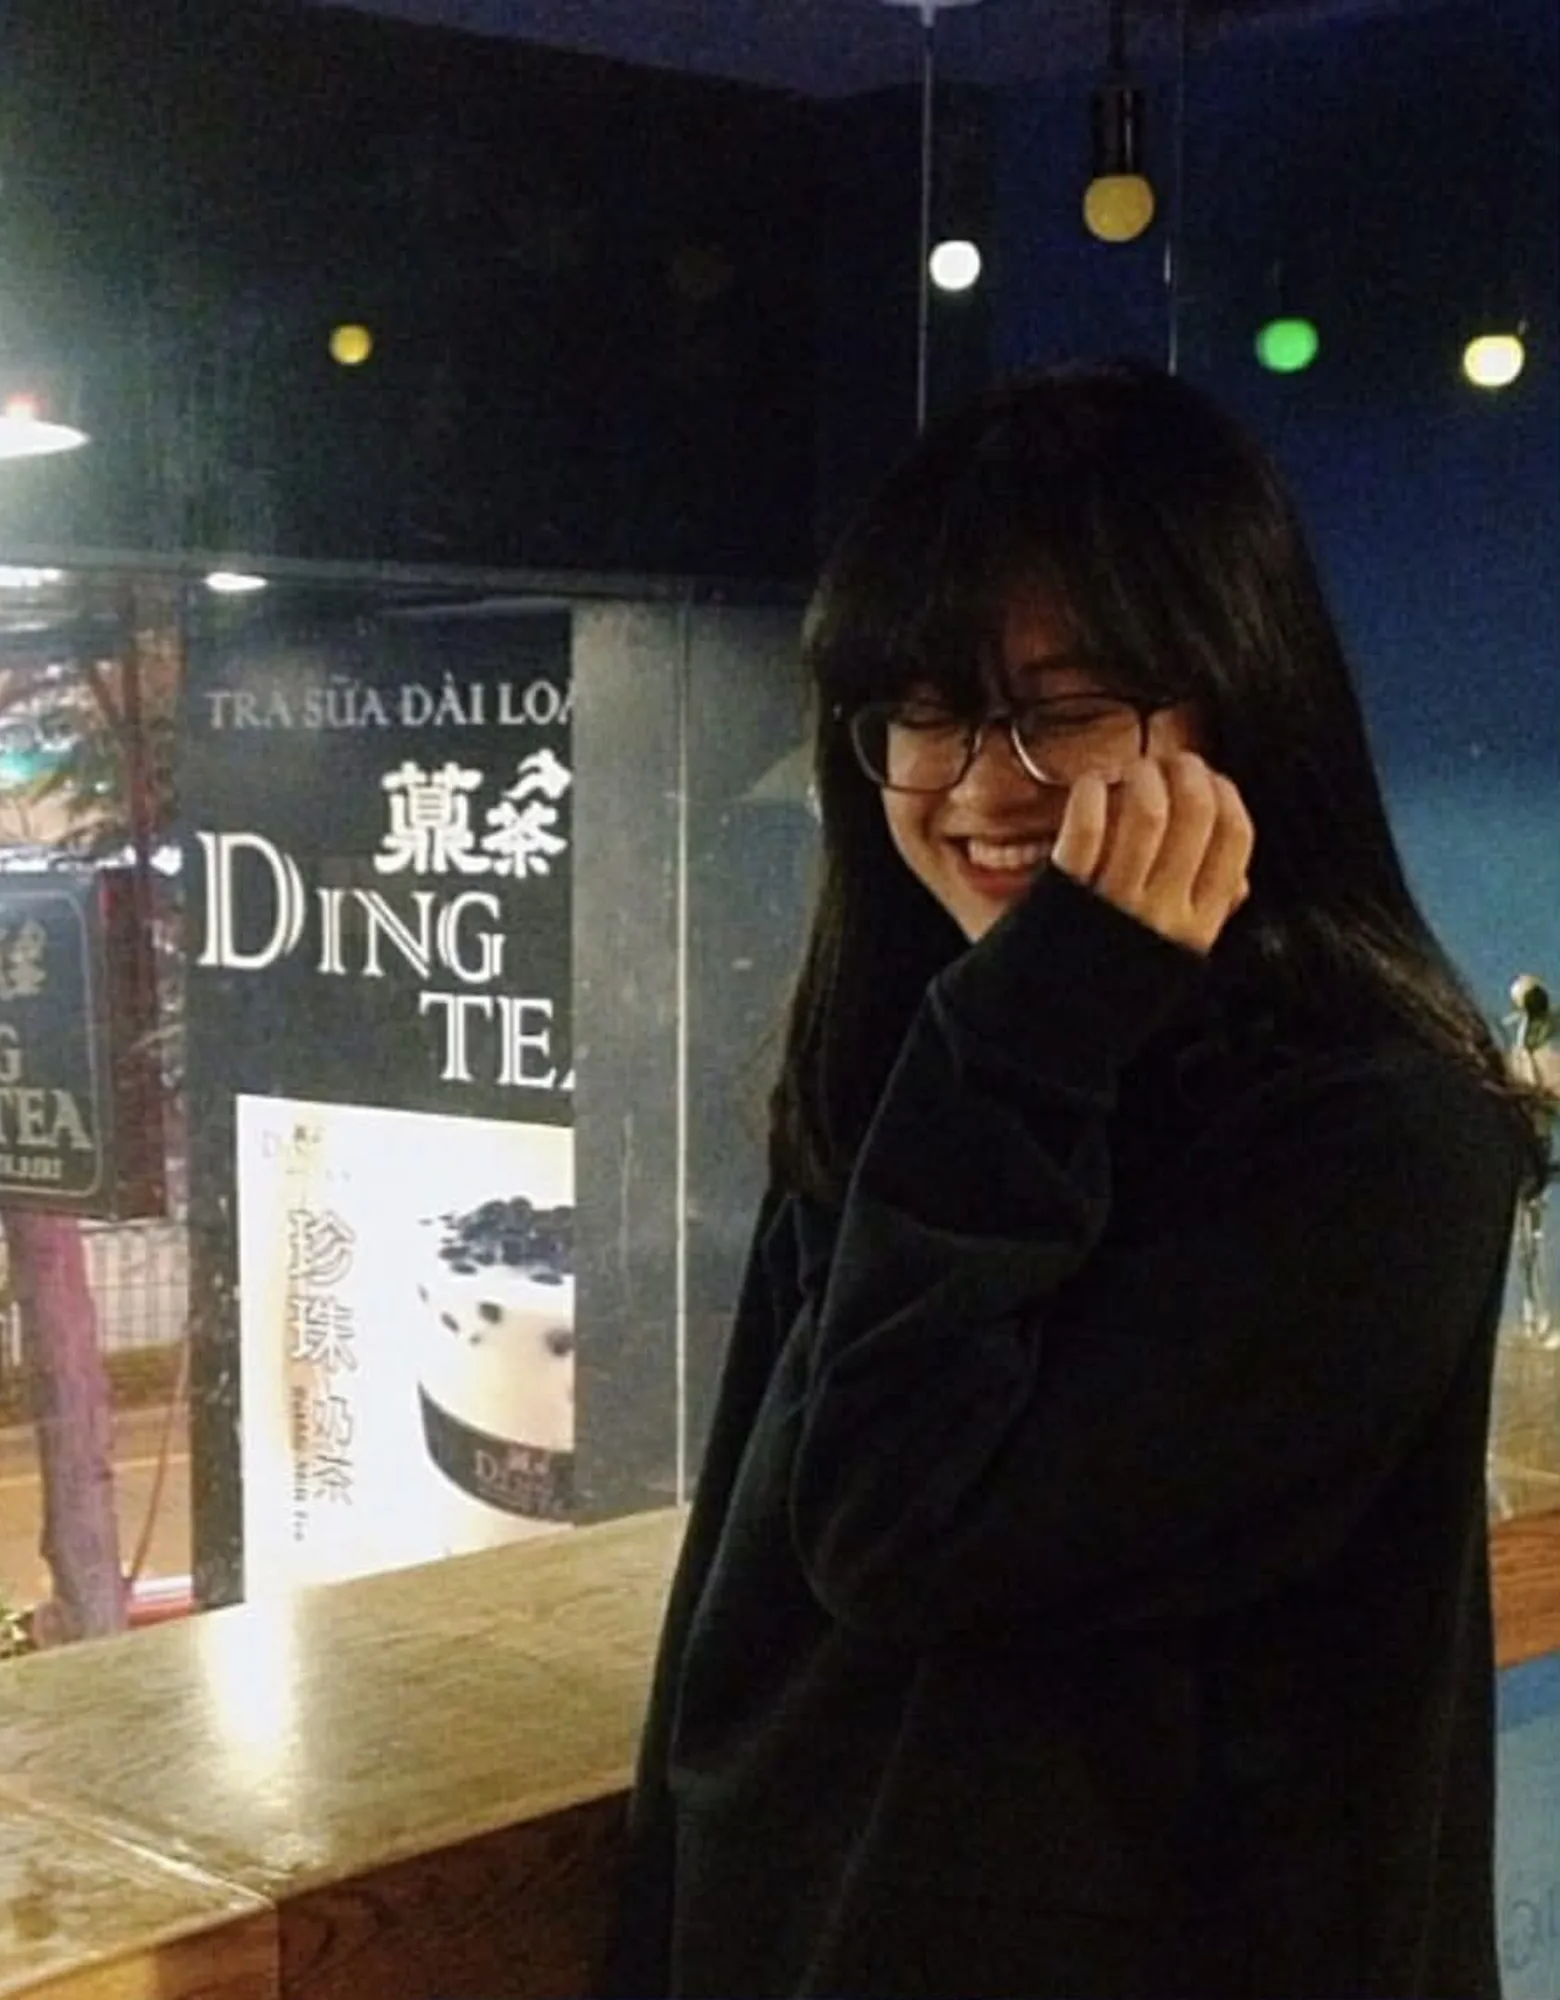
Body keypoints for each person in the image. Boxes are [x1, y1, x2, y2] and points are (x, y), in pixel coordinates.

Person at [601, 360, 1546, 2000]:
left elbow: (904, 1531)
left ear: (1237, 707)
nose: (981, 784)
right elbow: (739, 1624)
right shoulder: (920, 1062)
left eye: (1067, 708)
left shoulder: (1380, 1138)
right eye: (927, 710)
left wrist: (1040, 1019)